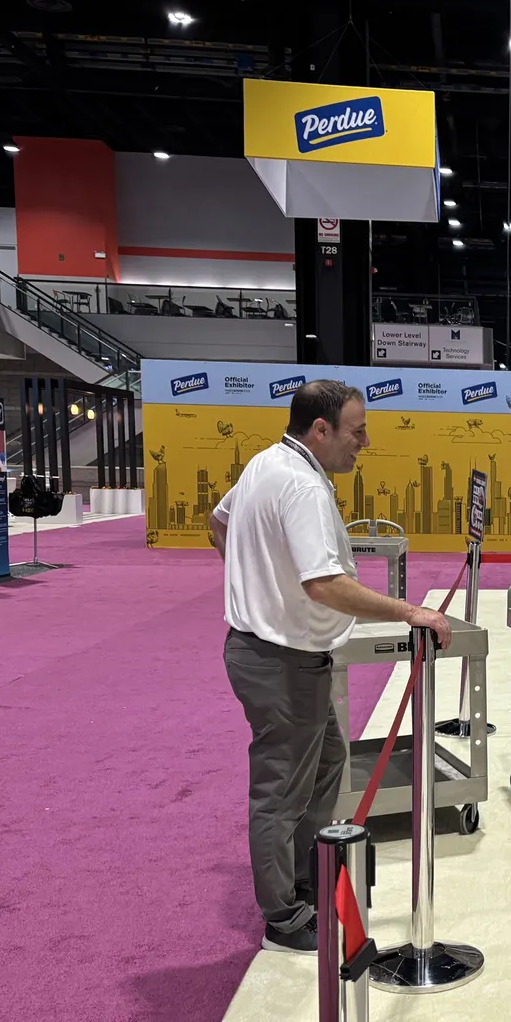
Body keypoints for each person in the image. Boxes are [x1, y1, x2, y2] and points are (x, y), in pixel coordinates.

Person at [211, 379, 450, 955]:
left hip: (275, 652)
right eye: (357, 430)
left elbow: (216, 523)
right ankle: (284, 915)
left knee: (329, 760)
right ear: (320, 430)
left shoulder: (266, 463)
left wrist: (258, 580)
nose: (364, 442)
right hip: (280, 661)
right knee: (280, 788)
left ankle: (305, 878)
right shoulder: (300, 485)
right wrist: (408, 610)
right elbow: (324, 585)